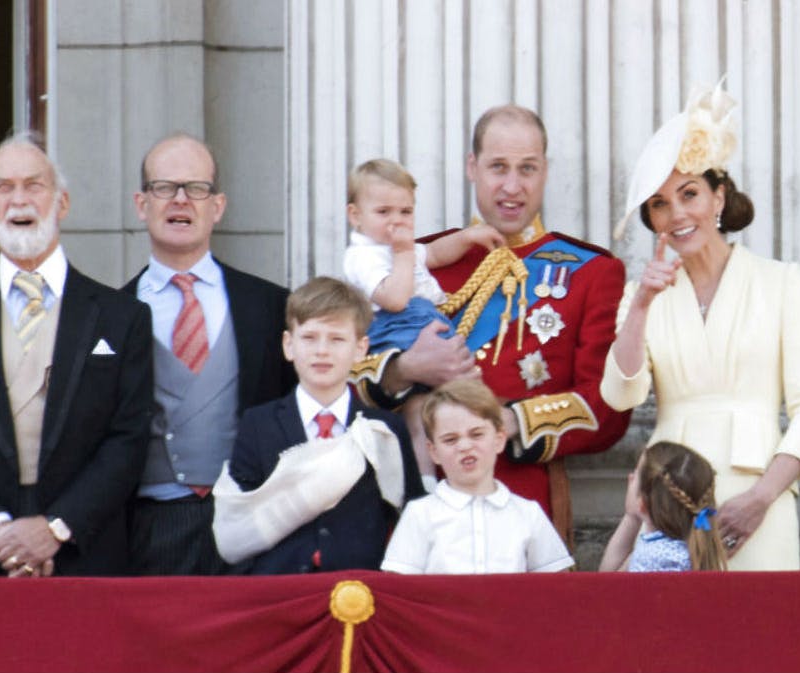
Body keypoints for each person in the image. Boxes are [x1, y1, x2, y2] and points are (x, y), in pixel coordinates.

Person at [352, 105, 631, 543]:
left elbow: (607, 407)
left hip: (521, 498)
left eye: (528, 169)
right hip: (421, 500)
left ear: (545, 172)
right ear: (472, 167)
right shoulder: (415, 260)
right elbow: (346, 372)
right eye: (498, 167)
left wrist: (507, 422)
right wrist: (405, 370)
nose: (512, 186)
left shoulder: (590, 271)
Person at [600, 81, 800, 571]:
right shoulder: (643, 296)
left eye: (689, 194)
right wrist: (641, 304)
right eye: (660, 204)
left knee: (763, 639)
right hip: (669, 503)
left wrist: (763, 498)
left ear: (719, 197)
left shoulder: (780, 282)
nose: (677, 214)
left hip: (759, 497)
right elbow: (621, 397)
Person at [0, 133, 153, 576]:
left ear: (62, 203)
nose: (19, 200)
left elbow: (128, 441)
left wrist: (57, 527)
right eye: (3, 187)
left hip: (85, 558)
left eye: (34, 185)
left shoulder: (121, 317)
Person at [123, 133, 296, 575]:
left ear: (217, 206)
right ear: (142, 204)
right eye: (165, 188)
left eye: (196, 189)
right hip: (150, 531)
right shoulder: (109, 315)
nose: (181, 200)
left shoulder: (270, 306)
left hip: (252, 522)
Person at [211, 277, 423, 573]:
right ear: (289, 345)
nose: (322, 351)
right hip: (279, 596)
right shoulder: (258, 424)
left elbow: (411, 518)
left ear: (361, 348)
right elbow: (238, 524)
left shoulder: (384, 430)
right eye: (309, 338)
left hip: (361, 596)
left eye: (337, 339)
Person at [343, 158, 503, 486]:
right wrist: (403, 254)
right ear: (355, 216)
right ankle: (424, 485)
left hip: (424, 322)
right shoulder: (363, 256)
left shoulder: (403, 247)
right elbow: (395, 299)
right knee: (433, 406)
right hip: (396, 329)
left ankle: (454, 477)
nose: (396, 222)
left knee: (437, 409)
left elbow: (436, 253)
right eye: (383, 212)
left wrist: (468, 237)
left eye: (405, 212)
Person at [380, 378, 574, 574]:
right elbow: (399, 589)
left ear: (499, 439)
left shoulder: (528, 514)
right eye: (450, 439)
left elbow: (557, 587)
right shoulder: (419, 514)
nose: (464, 446)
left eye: (476, 434)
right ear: (433, 452)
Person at [598, 441, 726, 572]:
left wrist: (633, 514)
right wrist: (631, 516)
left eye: (636, 475)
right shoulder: (686, 546)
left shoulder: (654, 558)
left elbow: (607, 586)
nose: (630, 477)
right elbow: (610, 576)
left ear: (643, 503)